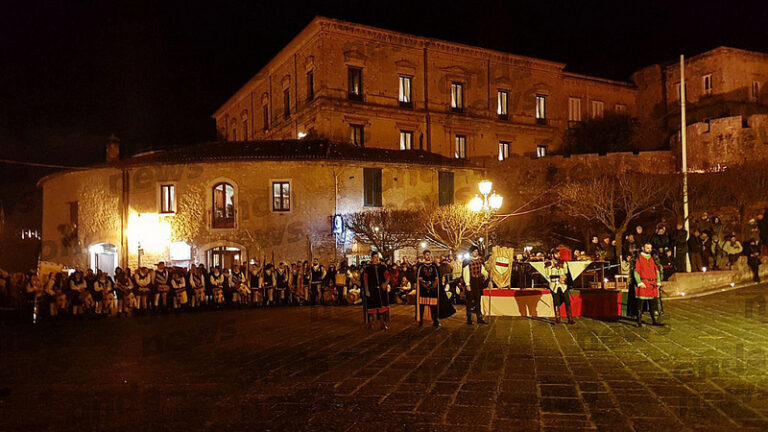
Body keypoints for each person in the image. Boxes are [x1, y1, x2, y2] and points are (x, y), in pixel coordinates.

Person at [634, 242, 663, 327]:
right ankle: (638, 321)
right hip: (644, 283)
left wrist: (658, 281)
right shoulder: (639, 258)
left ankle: (654, 320)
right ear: (643, 248)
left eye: (650, 248)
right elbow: (636, 271)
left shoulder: (653, 258)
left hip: (652, 284)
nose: (649, 250)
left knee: (653, 304)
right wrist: (639, 282)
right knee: (640, 304)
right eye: (647, 248)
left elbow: (656, 270)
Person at [363, 251, 390, 330]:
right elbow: (365, 280)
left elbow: (388, 277)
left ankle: (382, 324)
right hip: (372, 290)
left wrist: (386, 283)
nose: (376, 259)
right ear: (372, 258)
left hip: (381, 290)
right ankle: (372, 323)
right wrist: (367, 290)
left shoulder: (383, 267)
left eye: (377, 257)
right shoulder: (368, 269)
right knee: (373, 309)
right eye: (375, 257)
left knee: (382, 309)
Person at [462, 246, 488, 325]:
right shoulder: (467, 261)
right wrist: (467, 284)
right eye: (474, 251)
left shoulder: (480, 260)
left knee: (478, 300)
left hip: (478, 282)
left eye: (476, 251)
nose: (476, 252)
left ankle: (479, 318)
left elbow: (482, 270)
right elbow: (465, 273)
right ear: (471, 252)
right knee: (469, 301)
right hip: (471, 281)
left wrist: (487, 274)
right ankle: (469, 318)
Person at [416, 250, 441, 327]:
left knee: (433, 306)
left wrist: (433, 286)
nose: (428, 256)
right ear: (424, 256)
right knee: (422, 305)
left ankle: (435, 320)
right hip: (423, 289)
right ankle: (421, 321)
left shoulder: (434, 266)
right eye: (426, 255)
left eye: (429, 254)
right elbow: (419, 278)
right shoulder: (421, 266)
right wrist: (425, 285)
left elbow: (437, 277)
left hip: (433, 289)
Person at [546, 259, 574, 324]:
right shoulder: (549, 265)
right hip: (554, 285)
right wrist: (558, 277)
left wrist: (564, 277)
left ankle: (570, 318)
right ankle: (557, 318)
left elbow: (566, 273)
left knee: (567, 301)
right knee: (556, 302)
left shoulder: (563, 264)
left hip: (563, 285)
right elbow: (548, 275)